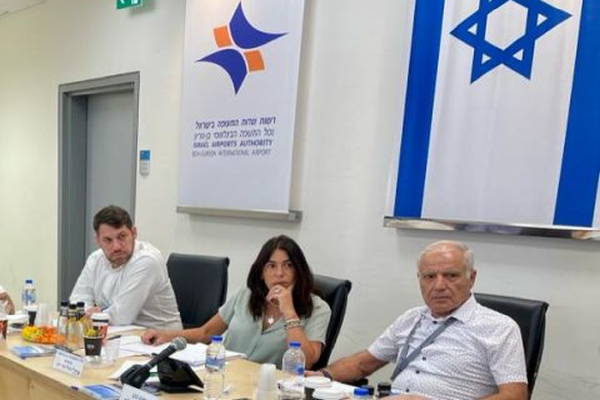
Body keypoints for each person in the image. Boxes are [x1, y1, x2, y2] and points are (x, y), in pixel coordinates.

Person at [311, 240, 527, 400]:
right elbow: (363, 363)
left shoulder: (499, 328)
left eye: (451, 275)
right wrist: (321, 375)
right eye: (429, 277)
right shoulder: (411, 318)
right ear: (419, 279)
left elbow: (514, 396)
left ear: (472, 277)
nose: (439, 286)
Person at [142, 235, 331, 368]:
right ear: (261, 272)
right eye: (271, 266)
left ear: (299, 270)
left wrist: (289, 312)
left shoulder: (318, 308)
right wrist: (166, 335)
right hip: (224, 377)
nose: (279, 273)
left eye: (288, 265)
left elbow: (306, 362)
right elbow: (206, 332)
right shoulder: (246, 294)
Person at [70, 205, 182, 330]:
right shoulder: (95, 259)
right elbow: (78, 300)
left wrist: (95, 314)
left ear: (134, 233)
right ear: (98, 240)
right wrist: (87, 312)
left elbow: (121, 317)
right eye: (108, 240)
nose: (116, 247)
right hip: (118, 333)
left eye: (122, 236)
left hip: (159, 336)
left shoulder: (147, 260)